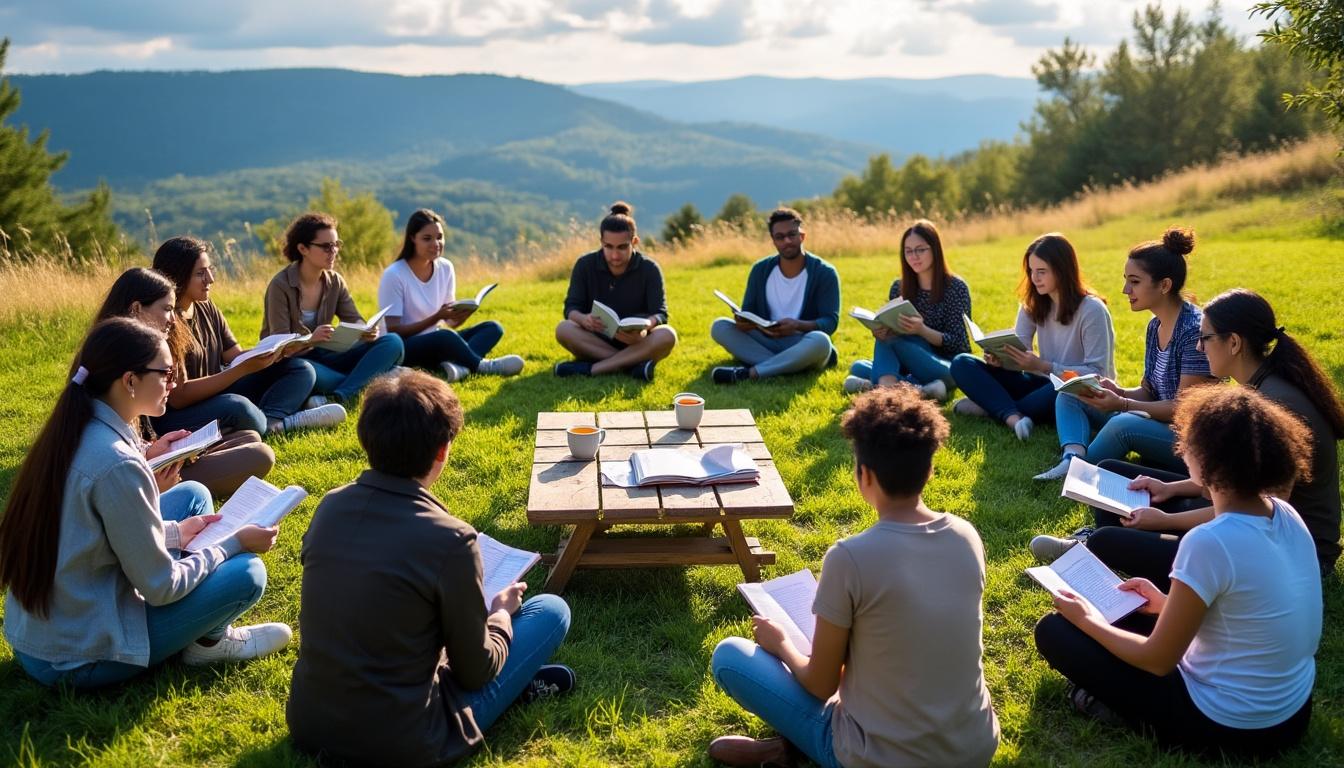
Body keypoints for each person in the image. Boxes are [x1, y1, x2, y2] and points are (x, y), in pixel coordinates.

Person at [287, 370, 574, 767]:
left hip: (311, 721)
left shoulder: (330, 506)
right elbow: (477, 670)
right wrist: (501, 615)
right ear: (442, 450)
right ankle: (515, 687)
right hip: (405, 740)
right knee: (551, 612)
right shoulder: (452, 539)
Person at [708, 386, 999, 768]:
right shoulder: (966, 535)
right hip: (972, 747)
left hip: (881, 758)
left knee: (730, 657)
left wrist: (781, 645)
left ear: (864, 476)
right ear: (929, 470)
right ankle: (786, 748)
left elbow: (821, 684)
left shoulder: (850, 557)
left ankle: (792, 748)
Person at [0, 318, 291, 689]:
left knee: (192, 497)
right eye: (166, 372)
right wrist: (233, 543)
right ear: (130, 380)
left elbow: (91, 537)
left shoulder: (74, 427)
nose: (174, 382)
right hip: (78, 657)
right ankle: (208, 644)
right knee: (248, 573)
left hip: (46, 633)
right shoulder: (117, 464)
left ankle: (198, 623)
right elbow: (161, 587)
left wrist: (175, 534)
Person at [1033, 385, 1320, 760]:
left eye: (1189, 442)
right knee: (1126, 610)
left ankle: (1122, 711)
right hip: (1292, 713)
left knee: (1055, 631)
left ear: (1207, 461)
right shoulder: (1285, 515)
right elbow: (1251, 609)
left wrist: (1085, 620)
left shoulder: (1209, 541)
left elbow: (1157, 660)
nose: (1182, 448)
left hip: (1228, 727)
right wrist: (1165, 603)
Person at [1031, 289, 1343, 580]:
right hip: (1248, 525)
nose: (1198, 346)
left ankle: (1097, 546)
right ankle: (1116, 541)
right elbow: (1236, 488)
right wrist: (1171, 488)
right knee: (1113, 473)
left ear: (1233, 343)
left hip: (1287, 553)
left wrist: (1166, 521)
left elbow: (1257, 514)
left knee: (1110, 541)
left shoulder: (1273, 405)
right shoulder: (1260, 387)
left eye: (1205, 338)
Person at [1034, 227, 1215, 480]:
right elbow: (1150, 391)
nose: (1125, 290)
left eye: (1135, 281)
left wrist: (1123, 404)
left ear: (1164, 285)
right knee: (1072, 393)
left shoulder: (1192, 330)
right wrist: (1118, 391)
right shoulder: (1156, 325)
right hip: (1155, 421)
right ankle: (1071, 458)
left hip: (1188, 440)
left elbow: (1183, 409)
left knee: (1123, 424)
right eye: (1126, 279)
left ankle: (1078, 474)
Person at [92, 267, 275, 497]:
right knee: (259, 454)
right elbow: (113, 452)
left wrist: (154, 449)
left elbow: (130, 436)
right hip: (138, 478)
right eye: (167, 309)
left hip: (146, 455)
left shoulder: (138, 348)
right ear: (136, 309)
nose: (173, 320)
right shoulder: (120, 360)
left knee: (249, 437)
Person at [152, 236, 346, 436]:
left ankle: (272, 422)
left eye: (210, 270)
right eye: (201, 273)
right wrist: (240, 370)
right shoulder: (167, 321)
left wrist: (273, 353)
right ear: (177, 278)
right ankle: (282, 420)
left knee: (299, 369)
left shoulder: (205, 306)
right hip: (184, 411)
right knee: (239, 407)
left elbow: (234, 355)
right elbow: (178, 397)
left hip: (217, 392)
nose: (210, 279)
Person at [950, 233, 1115, 441]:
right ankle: (1012, 415)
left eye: (1042, 271)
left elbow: (1098, 373)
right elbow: (1021, 356)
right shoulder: (1034, 303)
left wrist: (1044, 366)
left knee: (1058, 392)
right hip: (1040, 382)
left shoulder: (1092, 309)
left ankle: (991, 407)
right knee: (961, 363)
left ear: (1062, 271)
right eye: (1031, 271)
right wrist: (1000, 361)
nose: (1034, 278)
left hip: (1074, 391)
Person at [261, 212, 404, 405]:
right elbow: (279, 347)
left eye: (336, 244)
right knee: (308, 372)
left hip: (327, 356)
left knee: (392, 343)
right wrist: (310, 340)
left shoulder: (335, 281)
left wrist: (366, 331)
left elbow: (355, 319)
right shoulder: (280, 286)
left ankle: (342, 392)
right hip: (294, 364)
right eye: (326, 246)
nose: (334, 251)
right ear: (303, 248)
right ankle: (363, 383)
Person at [379, 208, 524, 382]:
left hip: (437, 341)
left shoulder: (446, 267)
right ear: (412, 238)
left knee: (493, 328)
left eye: (439, 237)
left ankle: (459, 366)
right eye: (427, 239)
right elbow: (394, 331)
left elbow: (451, 323)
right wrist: (436, 317)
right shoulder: (394, 274)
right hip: (403, 347)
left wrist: (463, 313)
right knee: (445, 337)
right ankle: (481, 366)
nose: (436, 243)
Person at [843, 219, 971, 401]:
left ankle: (878, 388)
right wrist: (880, 331)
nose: (914, 256)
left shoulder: (955, 288)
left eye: (920, 249)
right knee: (859, 365)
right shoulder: (899, 287)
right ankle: (922, 391)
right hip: (907, 363)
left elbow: (959, 343)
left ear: (935, 249)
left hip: (946, 365)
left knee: (887, 345)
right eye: (908, 251)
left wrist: (922, 330)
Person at [710, 208, 840, 384]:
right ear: (773, 241)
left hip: (801, 341)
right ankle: (788, 365)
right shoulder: (760, 270)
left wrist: (797, 325)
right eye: (780, 237)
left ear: (802, 236)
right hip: (766, 340)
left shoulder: (824, 272)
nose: (787, 241)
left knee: (821, 341)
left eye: (792, 235)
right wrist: (743, 323)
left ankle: (751, 372)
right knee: (720, 326)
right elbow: (749, 312)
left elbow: (830, 322)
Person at [553, 202, 678, 381]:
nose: (614, 255)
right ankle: (633, 366)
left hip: (638, 341)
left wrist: (645, 327)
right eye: (608, 247)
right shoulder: (585, 265)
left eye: (622, 247)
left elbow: (660, 313)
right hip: (596, 340)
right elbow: (571, 308)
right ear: (601, 242)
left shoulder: (649, 269)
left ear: (634, 242)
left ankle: (592, 369)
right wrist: (583, 320)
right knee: (563, 329)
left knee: (668, 335)